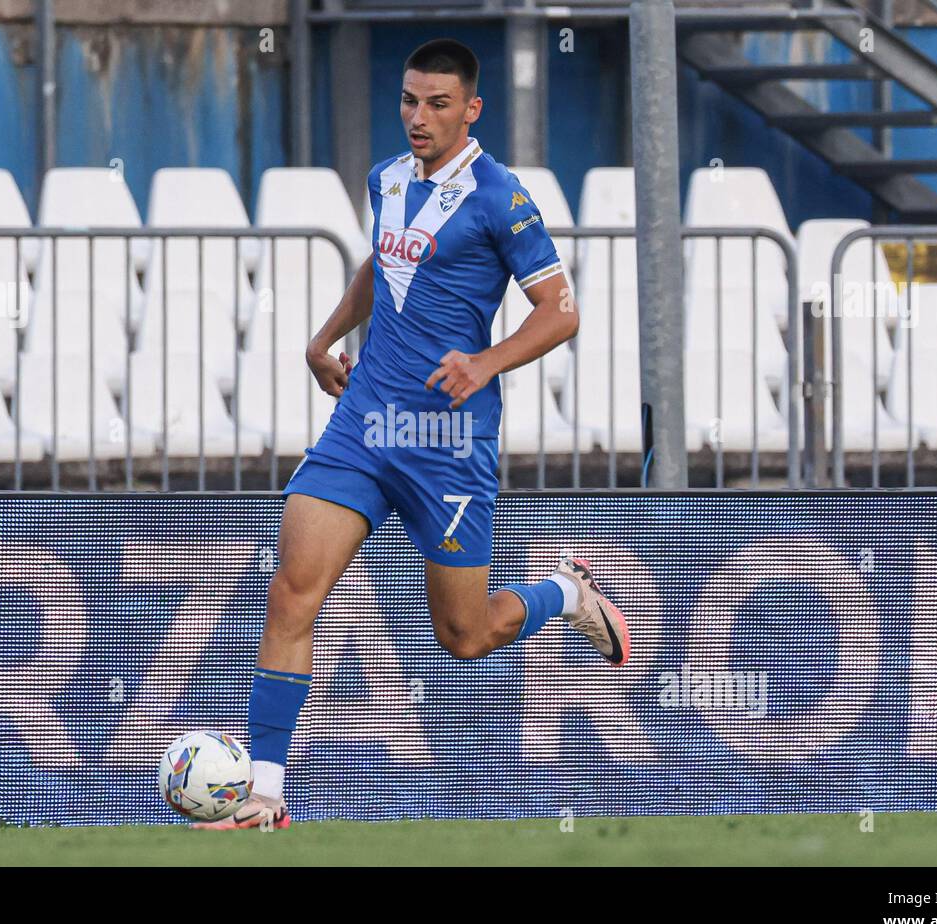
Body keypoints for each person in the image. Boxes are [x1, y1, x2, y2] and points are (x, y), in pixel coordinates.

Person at [196, 38, 629, 831]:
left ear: (472, 109)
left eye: (436, 104)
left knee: (464, 637)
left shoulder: (502, 198)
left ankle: (567, 593)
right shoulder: (387, 179)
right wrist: (324, 338)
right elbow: (382, 267)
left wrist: (486, 363)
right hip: (363, 426)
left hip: (449, 445)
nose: (417, 117)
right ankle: (266, 792)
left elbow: (560, 311)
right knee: (292, 592)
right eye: (407, 100)